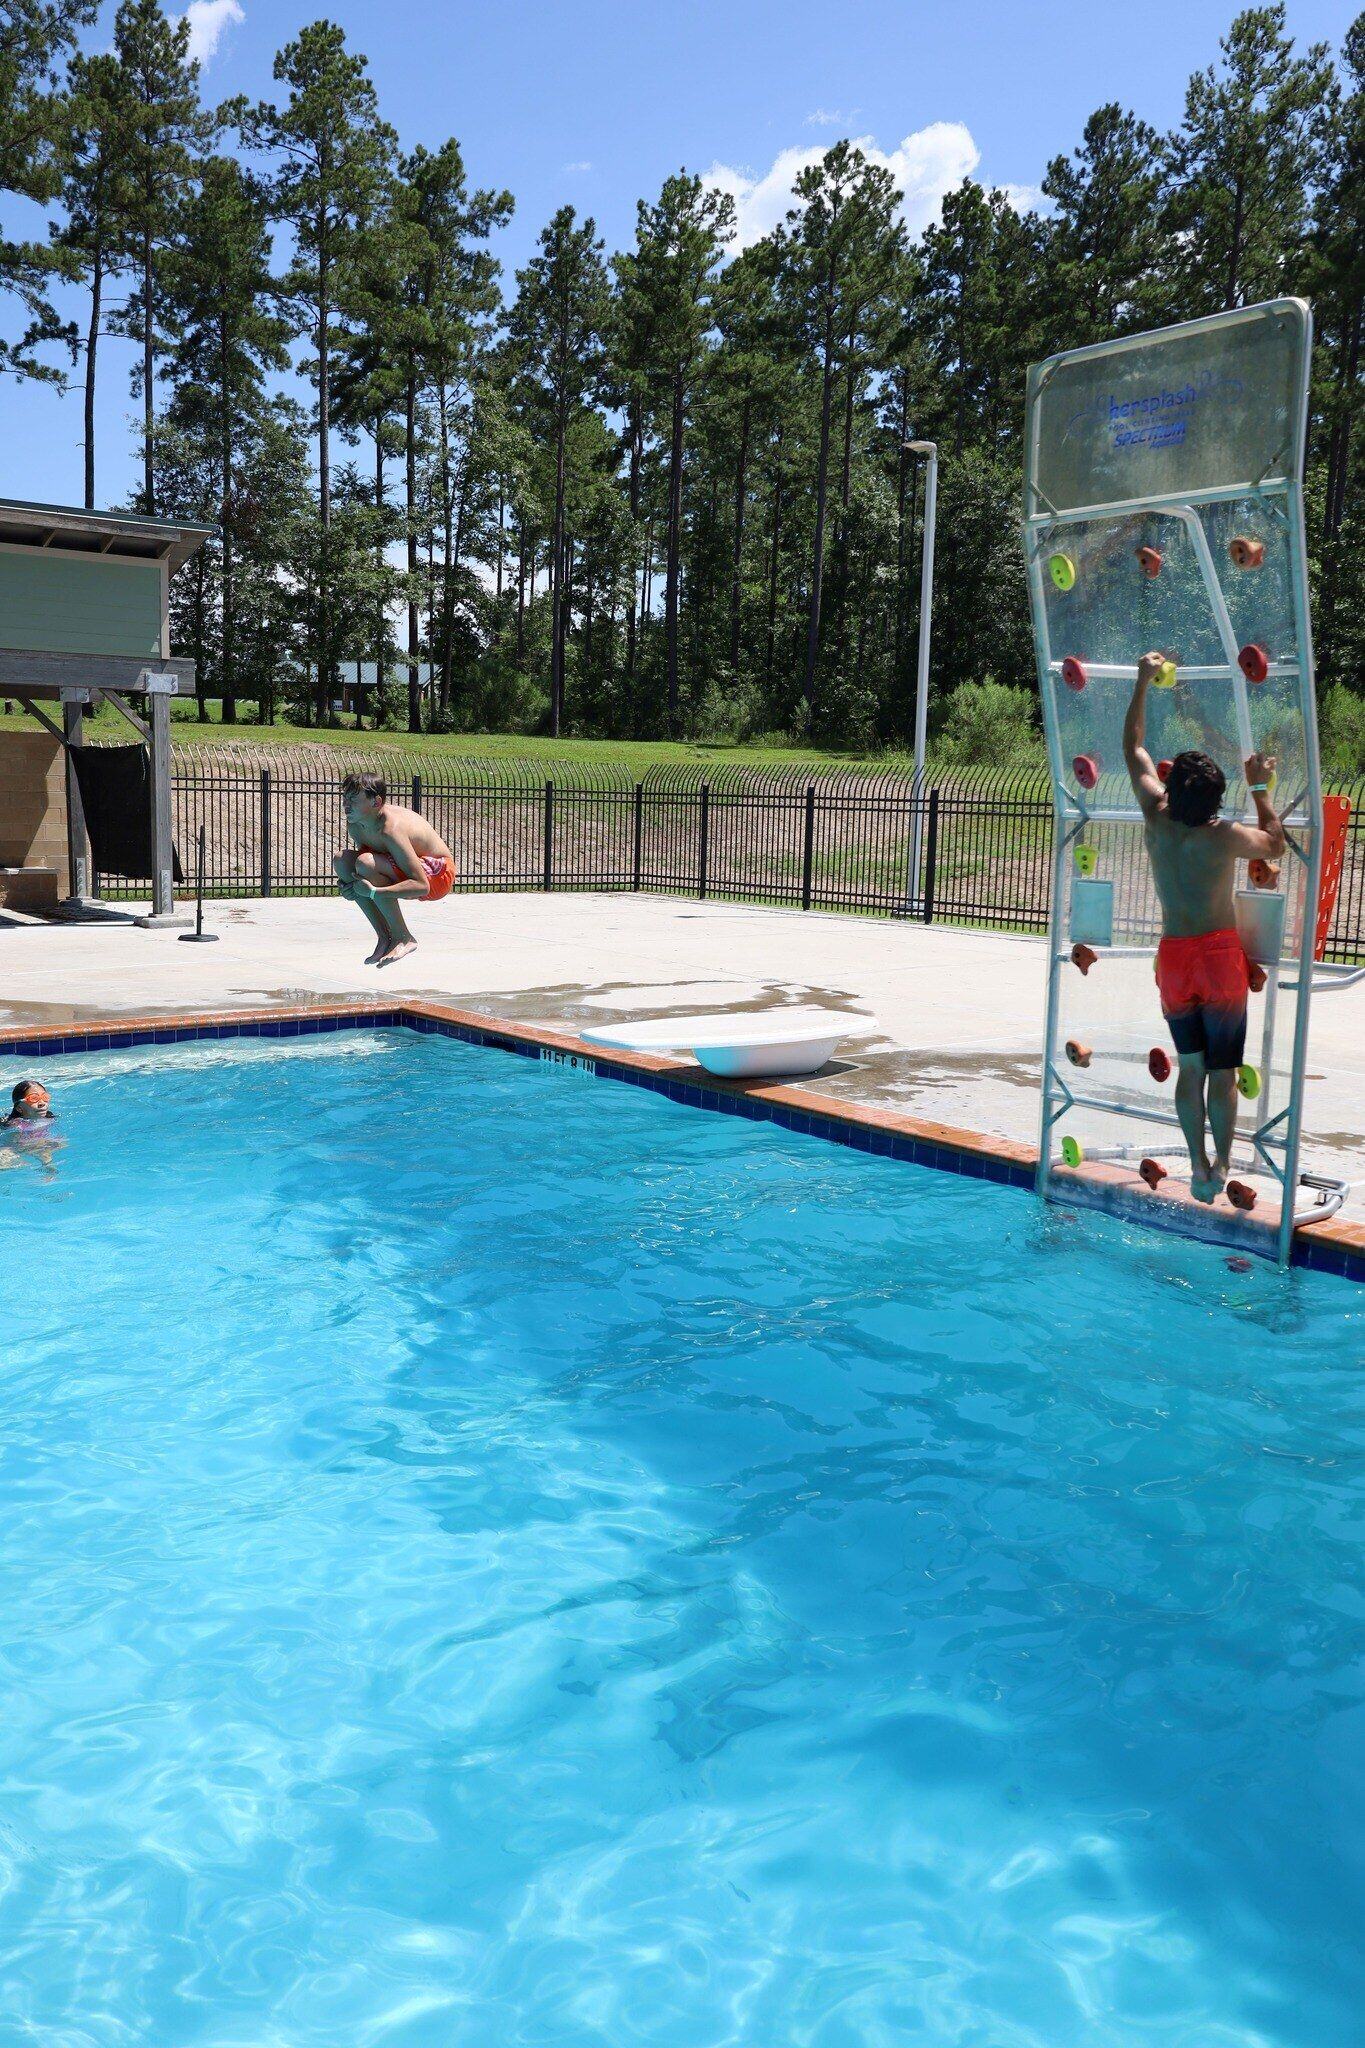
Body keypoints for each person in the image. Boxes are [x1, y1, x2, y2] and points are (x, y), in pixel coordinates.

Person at [1123, 651, 1284, 1204]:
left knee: (1190, 1069)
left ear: (1173, 789)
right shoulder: (1224, 837)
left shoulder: (1155, 814)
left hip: (1174, 959)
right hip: (1218, 958)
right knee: (1223, 1072)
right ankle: (1222, 1161)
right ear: (1215, 800)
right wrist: (1259, 787)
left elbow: (1134, 748)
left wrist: (1144, 682)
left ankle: (1195, 1167)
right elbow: (1276, 844)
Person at [332, 772, 457, 968]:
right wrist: (350, 887)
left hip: (437, 873)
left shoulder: (392, 829)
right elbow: (363, 869)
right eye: (345, 798)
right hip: (405, 867)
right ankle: (384, 936)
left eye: (354, 799)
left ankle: (404, 937)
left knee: (365, 864)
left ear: (376, 802)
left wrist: (374, 892)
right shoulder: (355, 824)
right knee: (342, 862)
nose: (346, 805)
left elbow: (421, 886)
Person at [0, 1079, 62, 1176]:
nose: (42, 1103)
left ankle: (47, 1166)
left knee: (59, 1143)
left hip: (38, 1144)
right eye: (34, 1098)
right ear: (19, 1108)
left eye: (45, 1097)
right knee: (4, 1163)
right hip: (14, 1147)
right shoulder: (16, 1124)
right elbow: (12, 1143)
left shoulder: (49, 1118)